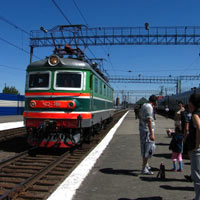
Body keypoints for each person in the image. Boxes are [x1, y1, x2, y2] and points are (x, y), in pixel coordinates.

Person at [139, 95, 157, 175]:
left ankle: (146, 165)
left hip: (143, 130)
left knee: (145, 148)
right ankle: (144, 169)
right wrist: (152, 134)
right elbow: (149, 120)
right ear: (155, 101)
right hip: (147, 131)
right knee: (148, 149)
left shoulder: (144, 105)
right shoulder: (149, 107)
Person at [188, 92, 200, 200]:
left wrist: (197, 145)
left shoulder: (195, 114)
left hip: (197, 150)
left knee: (197, 176)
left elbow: (199, 128)